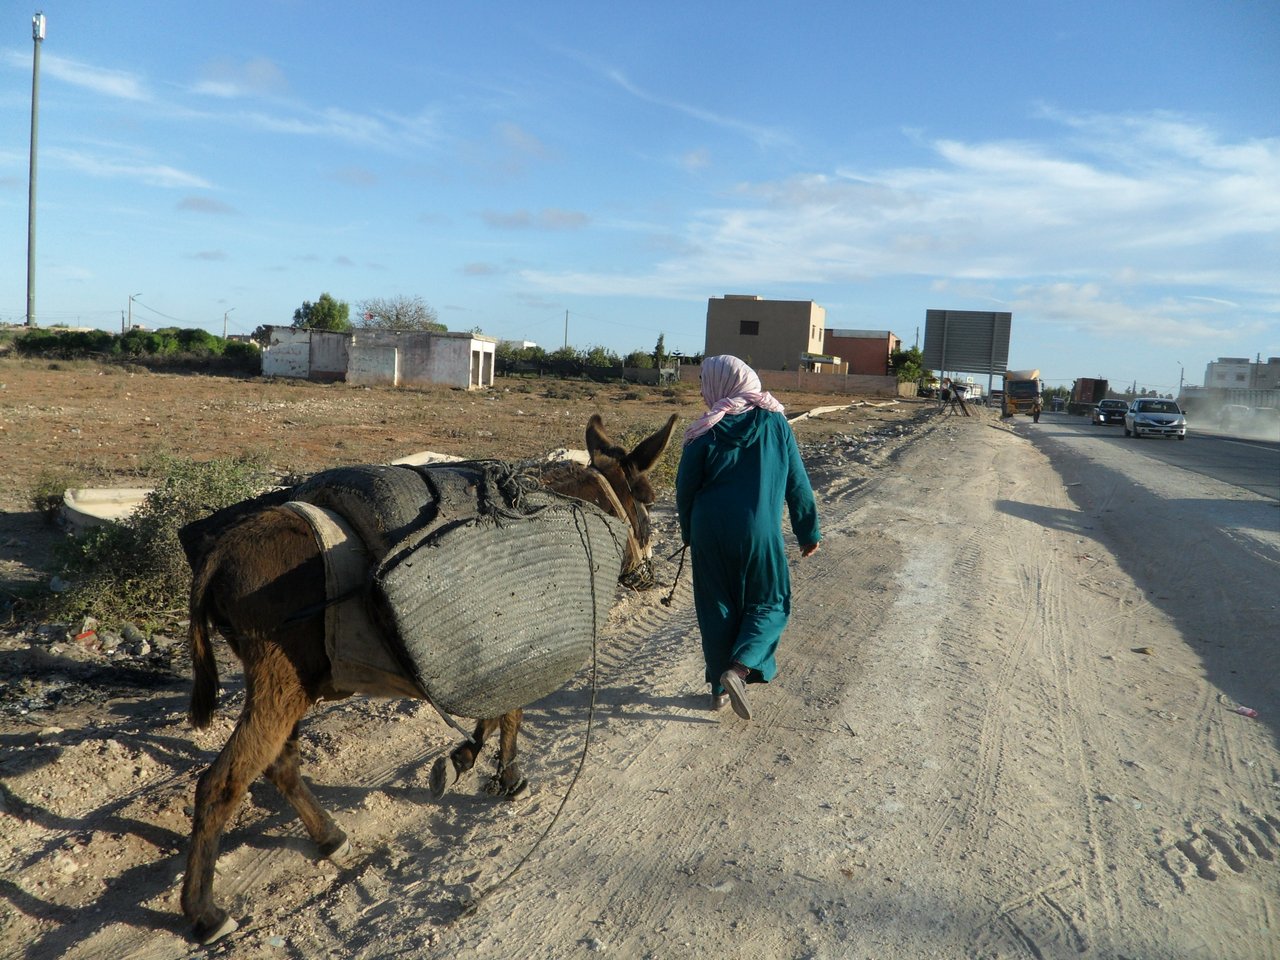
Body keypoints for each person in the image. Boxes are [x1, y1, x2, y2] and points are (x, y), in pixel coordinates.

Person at [676, 355, 821, 721]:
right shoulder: (776, 424)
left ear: (719, 385)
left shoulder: (704, 430)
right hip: (759, 532)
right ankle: (739, 670)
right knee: (770, 602)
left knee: (717, 608)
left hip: (710, 531)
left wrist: (690, 535)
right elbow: (798, 484)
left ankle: (719, 690)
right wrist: (807, 532)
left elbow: (685, 490)